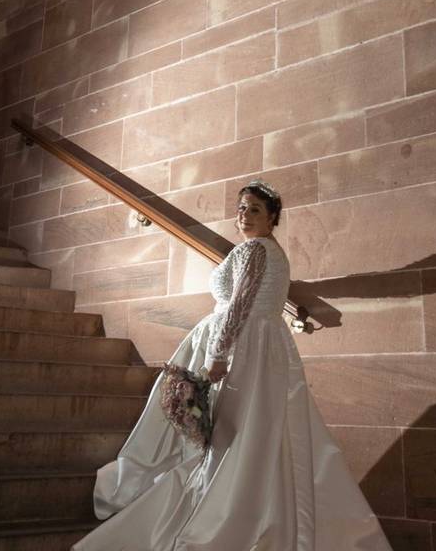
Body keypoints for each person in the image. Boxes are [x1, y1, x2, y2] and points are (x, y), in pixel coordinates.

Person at [73, 180, 393, 551]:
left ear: (272, 217)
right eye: (241, 208)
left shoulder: (255, 250)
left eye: (255, 209)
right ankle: (258, 512)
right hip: (267, 348)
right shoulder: (271, 251)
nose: (244, 215)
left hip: (243, 349)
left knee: (234, 435)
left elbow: (240, 305)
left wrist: (216, 357)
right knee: (262, 433)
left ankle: (224, 518)